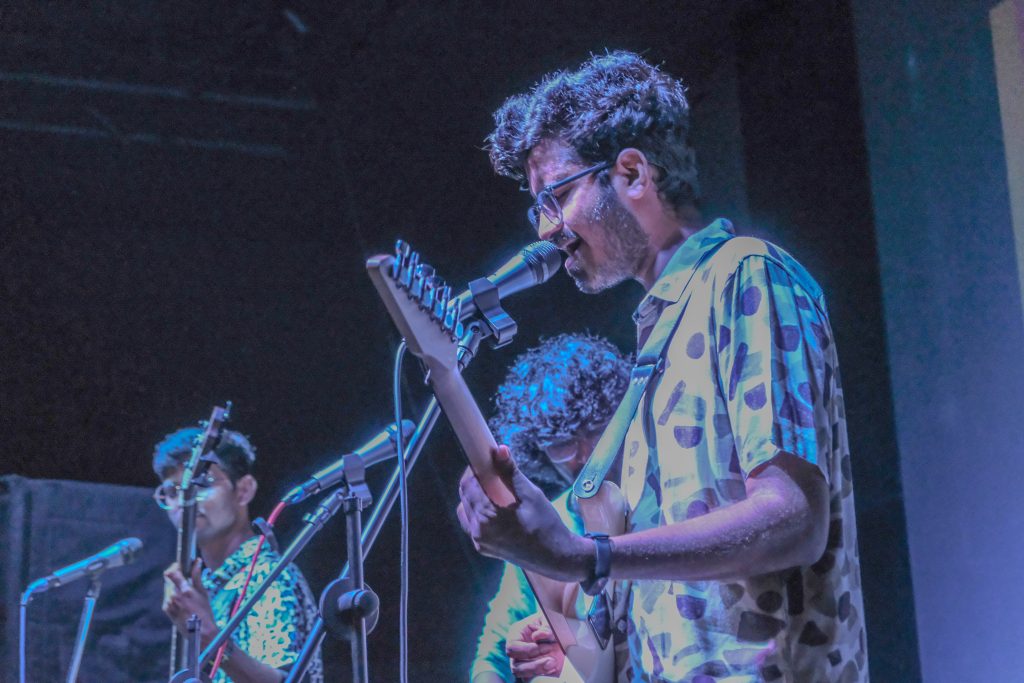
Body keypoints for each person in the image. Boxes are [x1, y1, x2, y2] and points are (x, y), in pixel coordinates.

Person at [456, 51, 868, 682]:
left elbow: (793, 519)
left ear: (632, 173)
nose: (545, 230)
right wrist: (582, 650)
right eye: (538, 207)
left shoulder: (744, 273)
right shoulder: (655, 344)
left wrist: (586, 555)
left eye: (557, 196)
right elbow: (687, 593)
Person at [470, 333, 631, 683]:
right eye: (563, 444)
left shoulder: (659, 500)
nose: (585, 457)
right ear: (536, 447)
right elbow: (491, 657)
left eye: (596, 431)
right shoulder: (544, 524)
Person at [153, 426, 323, 683]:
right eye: (174, 491)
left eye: (202, 484)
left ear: (244, 490)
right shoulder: (206, 585)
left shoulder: (269, 577)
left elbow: (289, 681)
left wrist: (209, 636)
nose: (186, 500)